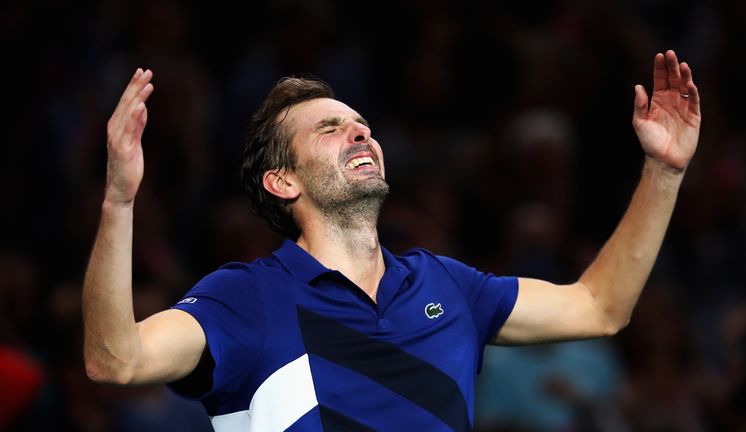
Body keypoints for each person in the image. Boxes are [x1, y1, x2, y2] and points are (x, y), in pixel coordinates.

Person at [83, 50, 701, 431]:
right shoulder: (243, 299)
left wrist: (665, 172)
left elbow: (600, 307)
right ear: (282, 181)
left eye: (363, 127)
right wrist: (119, 201)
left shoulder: (448, 286)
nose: (361, 137)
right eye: (331, 130)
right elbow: (116, 360)